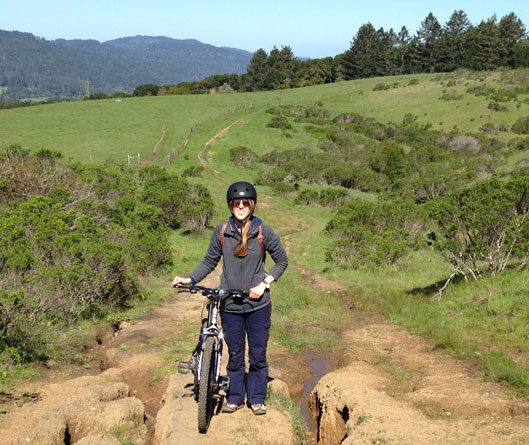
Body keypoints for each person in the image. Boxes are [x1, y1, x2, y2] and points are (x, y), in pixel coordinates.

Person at [172, 181, 288, 416]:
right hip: (230, 305)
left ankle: (256, 399)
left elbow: (282, 261)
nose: (241, 206)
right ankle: (234, 397)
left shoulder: (263, 232)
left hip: (258, 306)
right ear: (230, 205)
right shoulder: (222, 231)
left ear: (252, 205)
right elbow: (209, 261)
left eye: (245, 202)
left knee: (257, 354)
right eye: (236, 203)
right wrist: (189, 279)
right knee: (235, 355)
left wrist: (264, 284)